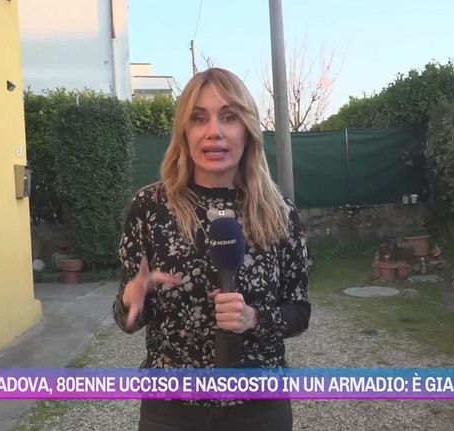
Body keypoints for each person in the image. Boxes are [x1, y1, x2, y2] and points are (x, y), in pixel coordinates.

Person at [113, 67, 310, 431]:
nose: (214, 132)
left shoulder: (278, 210)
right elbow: (128, 320)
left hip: (259, 408)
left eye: (229, 117)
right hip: (170, 411)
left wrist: (254, 318)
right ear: (184, 132)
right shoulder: (150, 207)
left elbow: (299, 311)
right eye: (199, 118)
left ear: (247, 129)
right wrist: (131, 298)